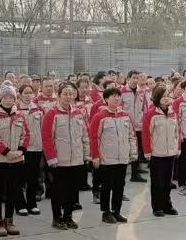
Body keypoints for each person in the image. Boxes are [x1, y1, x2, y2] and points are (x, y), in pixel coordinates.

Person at [43, 82, 90, 231]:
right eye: (65, 94)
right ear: (59, 95)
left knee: (72, 190)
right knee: (58, 191)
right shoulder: (51, 114)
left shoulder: (79, 113)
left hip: (76, 160)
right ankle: (57, 218)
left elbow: (85, 136)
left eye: (71, 94)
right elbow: (47, 138)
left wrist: (86, 155)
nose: (68, 97)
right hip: (59, 161)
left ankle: (68, 217)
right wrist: (51, 158)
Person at [0, 83, 29, 237]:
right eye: (5, 97)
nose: (8, 100)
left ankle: (9, 220)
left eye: (11, 97)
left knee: (13, 192)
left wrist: (20, 151)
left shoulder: (20, 116)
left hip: (16, 160)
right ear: (0, 98)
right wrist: (7, 152)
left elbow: (26, 135)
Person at [89, 86, 137, 224]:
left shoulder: (126, 116)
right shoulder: (99, 117)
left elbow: (132, 136)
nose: (116, 98)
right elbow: (94, 138)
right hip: (107, 158)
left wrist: (133, 152)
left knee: (119, 185)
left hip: (122, 157)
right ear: (106, 99)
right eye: (113, 96)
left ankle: (116, 211)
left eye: (118, 96)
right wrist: (95, 156)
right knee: (106, 186)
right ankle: (106, 212)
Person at [144, 85, 180, 217]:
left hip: (170, 152)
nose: (166, 98)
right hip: (157, 153)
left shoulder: (172, 112)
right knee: (157, 182)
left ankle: (167, 205)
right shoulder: (151, 113)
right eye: (163, 96)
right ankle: (157, 207)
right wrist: (148, 152)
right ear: (157, 98)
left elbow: (177, 132)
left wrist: (178, 147)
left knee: (167, 181)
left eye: (167, 96)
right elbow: (146, 134)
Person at [16, 85, 44, 216]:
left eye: (30, 93)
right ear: (20, 94)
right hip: (20, 148)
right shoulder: (15, 109)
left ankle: (32, 204)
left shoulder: (38, 109)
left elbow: (43, 128)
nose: (28, 95)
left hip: (36, 147)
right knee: (19, 177)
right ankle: (20, 204)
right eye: (25, 93)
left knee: (33, 177)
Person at [120, 71, 148, 183]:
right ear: (128, 79)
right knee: (126, 148)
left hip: (138, 126)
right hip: (126, 126)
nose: (136, 80)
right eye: (134, 78)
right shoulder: (122, 92)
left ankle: (135, 172)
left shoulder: (141, 92)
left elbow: (145, 109)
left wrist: (143, 122)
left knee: (137, 148)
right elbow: (119, 108)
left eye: (138, 78)